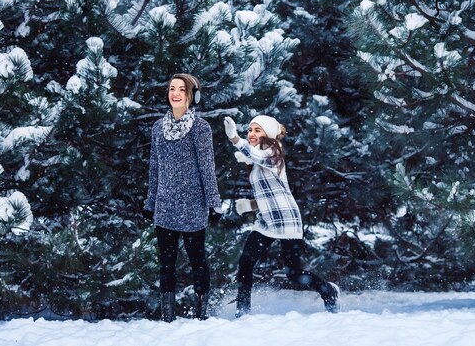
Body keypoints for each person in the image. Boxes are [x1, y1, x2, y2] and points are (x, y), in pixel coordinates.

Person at [223, 115, 340, 317]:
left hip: (287, 220)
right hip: (267, 221)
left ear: (267, 134)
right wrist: (249, 205)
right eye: (250, 130)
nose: (251, 134)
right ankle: (242, 311)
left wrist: (235, 138)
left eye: (257, 130)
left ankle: (328, 291)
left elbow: (256, 155)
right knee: (246, 262)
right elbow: (269, 195)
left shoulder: (274, 151)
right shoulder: (257, 160)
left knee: (294, 274)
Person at [144, 73, 221, 321]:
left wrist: (213, 203)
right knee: (166, 263)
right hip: (165, 206)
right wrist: (150, 202)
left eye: (181, 89)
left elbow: (207, 168)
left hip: (193, 206)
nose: (175, 93)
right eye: (171, 89)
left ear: (192, 96)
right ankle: (168, 318)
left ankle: (201, 315)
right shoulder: (158, 128)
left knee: (197, 260)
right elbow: (154, 168)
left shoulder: (200, 128)